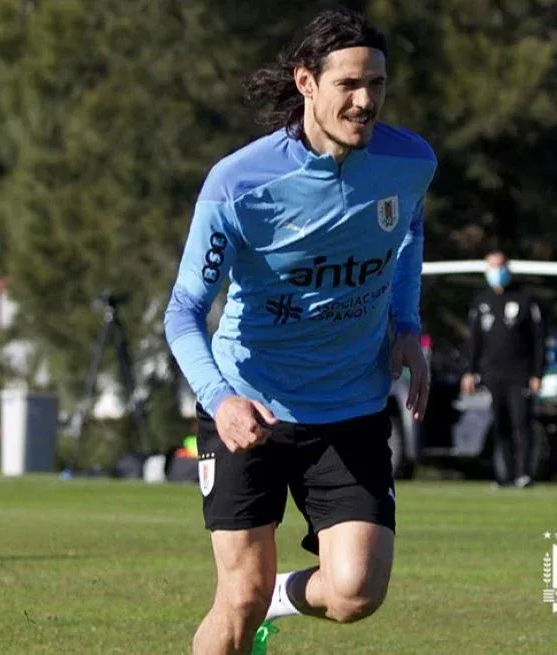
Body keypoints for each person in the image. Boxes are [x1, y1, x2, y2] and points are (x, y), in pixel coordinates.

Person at [163, 8, 436, 655]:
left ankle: (279, 599)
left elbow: (409, 236)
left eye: (377, 83)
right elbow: (182, 310)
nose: (365, 100)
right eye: (348, 84)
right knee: (237, 598)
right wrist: (219, 397)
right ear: (306, 82)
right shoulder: (240, 183)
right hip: (248, 403)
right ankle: (256, 601)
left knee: (356, 592)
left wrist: (406, 326)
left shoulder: (409, 162)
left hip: (351, 406)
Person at [461, 251, 545, 489]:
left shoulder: (525, 299)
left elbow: (538, 340)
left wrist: (537, 373)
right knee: (500, 426)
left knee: (521, 424)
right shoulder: (481, 301)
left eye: (500, 266)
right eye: (492, 267)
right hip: (491, 374)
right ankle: (503, 475)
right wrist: (470, 371)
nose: (497, 272)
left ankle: (524, 474)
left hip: (519, 374)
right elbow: (474, 342)